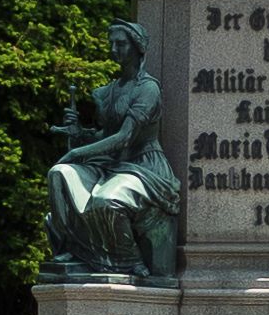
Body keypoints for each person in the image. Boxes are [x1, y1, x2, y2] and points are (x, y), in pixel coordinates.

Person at [39, 25, 182, 285]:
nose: (114, 49)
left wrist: (76, 152)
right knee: (59, 174)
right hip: (109, 164)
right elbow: (105, 135)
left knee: (106, 199)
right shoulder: (110, 90)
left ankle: (129, 261)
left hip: (143, 166)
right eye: (112, 43)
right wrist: (80, 132)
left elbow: (124, 137)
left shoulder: (148, 90)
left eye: (121, 44)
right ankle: (77, 249)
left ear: (138, 48)